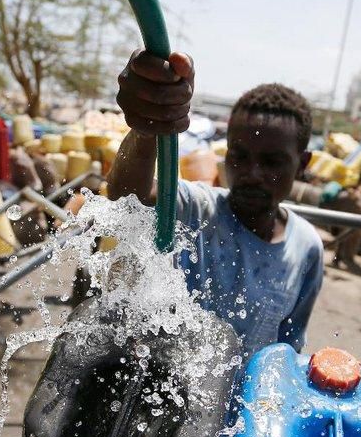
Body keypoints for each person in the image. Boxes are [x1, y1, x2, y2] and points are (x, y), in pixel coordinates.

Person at [109, 51, 324, 358]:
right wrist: (147, 126)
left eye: (272, 162)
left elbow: (288, 353)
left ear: (302, 164)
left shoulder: (307, 247)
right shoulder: (197, 210)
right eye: (240, 156)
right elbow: (127, 194)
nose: (252, 174)